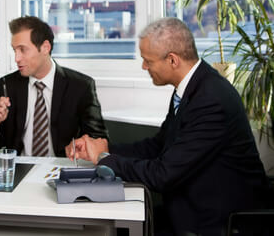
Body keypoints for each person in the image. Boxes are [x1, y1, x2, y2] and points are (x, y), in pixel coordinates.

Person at [68, 17, 270, 235]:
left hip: (218, 221)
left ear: (172, 60)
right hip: (190, 207)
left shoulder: (211, 99)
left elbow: (163, 174)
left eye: (148, 60)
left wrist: (104, 159)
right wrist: (105, 148)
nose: (144, 66)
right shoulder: (192, 88)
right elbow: (158, 146)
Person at [0, 16, 107, 157]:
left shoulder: (81, 87)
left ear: (45, 47)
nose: (16, 58)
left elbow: (99, 141)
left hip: (63, 171)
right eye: (14, 50)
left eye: (23, 50)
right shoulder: (7, 85)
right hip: (20, 172)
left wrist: (81, 147)